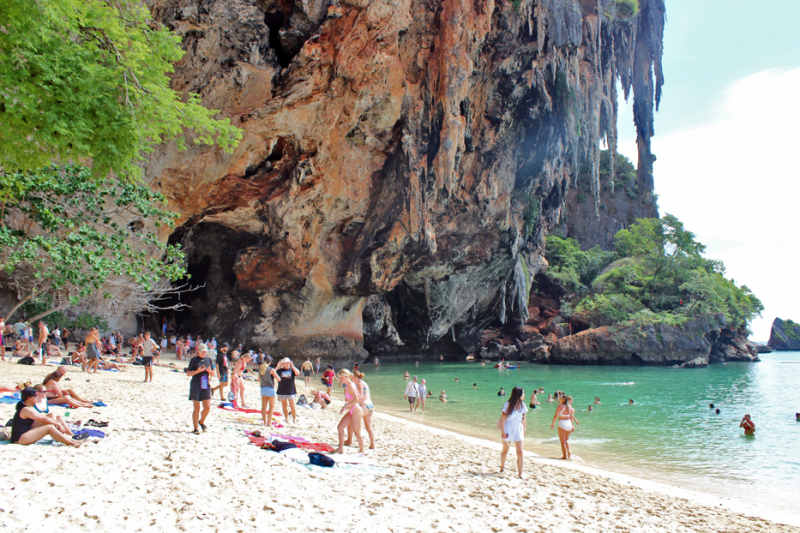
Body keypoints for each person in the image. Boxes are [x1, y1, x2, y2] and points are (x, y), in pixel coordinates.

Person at [10, 388, 83, 447]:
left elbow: (42, 417)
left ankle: (70, 439)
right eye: (35, 396)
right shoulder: (26, 409)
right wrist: (58, 424)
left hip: (26, 431)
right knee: (49, 427)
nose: (37, 397)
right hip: (20, 438)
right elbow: (43, 419)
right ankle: (71, 443)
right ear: (29, 398)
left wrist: (56, 422)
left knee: (50, 416)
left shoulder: (28, 406)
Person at [499, 387, 528, 479]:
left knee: (520, 451)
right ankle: (502, 467)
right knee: (505, 450)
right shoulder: (507, 404)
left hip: (518, 428)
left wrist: (524, 428)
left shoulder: (522, 404)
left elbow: (524, 417)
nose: (524, 395)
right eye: (523, 393)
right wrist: (503, 432)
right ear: (519, 395)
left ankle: (520, 474)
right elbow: (503, 419)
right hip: (508, 428)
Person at [187, 343, 215, 434]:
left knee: (207, 407)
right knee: (197, 407)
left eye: (205, 352)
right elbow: (188, 373)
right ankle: (195, 428)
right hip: (196, 384)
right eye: (202, 351)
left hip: (205, 384)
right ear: (198, 351)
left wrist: (210, 372)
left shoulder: (209, 360)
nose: (204, 353)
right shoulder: (194, 360)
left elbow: (213, 373)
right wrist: (197, 371)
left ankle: (201, 421)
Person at [334, 369, 364, 454]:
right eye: (340, 378)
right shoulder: (349, 385)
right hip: (352, 410)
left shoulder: (351, 385)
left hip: (356, 411)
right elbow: (359, 397)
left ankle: (362, 452)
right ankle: (340, 448)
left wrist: (346, 405)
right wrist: (348, 404)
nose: (340, 380)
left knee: (357, 432)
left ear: (346, 377)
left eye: (341, 378)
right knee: (340, 427)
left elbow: (357, 399)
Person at [350, 371, 375, 449]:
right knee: (369, 427)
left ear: (355, 377)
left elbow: (360, 397)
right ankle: (372, 444)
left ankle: (349, 440)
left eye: (352, 377)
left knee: (351, 420)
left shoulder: (360, 384)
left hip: (364, 405)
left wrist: (355, 405)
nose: (351, 379)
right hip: (370, 406)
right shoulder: (364, 383)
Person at [551, 395, 578, 460]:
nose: (559, 399)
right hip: (568, 423)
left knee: (562, 441)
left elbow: (555, 416)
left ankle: (564, 456)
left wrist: (552, 424)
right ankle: (569, 452)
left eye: (560, 399)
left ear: (563, 400)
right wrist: (572, 425)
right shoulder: (569, 407)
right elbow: (571, 417)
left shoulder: (560, 406)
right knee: (566, 439)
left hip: (562, 423)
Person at [276, 358, 300, 423]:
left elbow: (298, 373)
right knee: (284, 405)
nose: (286, 364)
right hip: (282, 390)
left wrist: (292, 366)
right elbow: (273, 373)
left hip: (291, 390)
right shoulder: (280, 370)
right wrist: (278, 366)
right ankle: (286, 418)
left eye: (287, 363)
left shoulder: (292, 370)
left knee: (292, 405)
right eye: (284, 363)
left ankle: (294, 419)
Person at [259, 357, 281, 427]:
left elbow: (258, 380)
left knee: (264, 406)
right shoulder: (271, 370)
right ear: (270, 362)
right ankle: (269, 423)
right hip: (270, 388)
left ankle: (264, 422)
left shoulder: (261, 369)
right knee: (271, 407)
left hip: (263, 388)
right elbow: (279, 379)